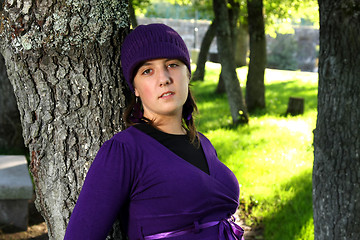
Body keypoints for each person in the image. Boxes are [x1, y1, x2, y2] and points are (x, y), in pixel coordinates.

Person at [64, 23, 244, 240]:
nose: (164, 79)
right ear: (136, 89)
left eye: (173, 65)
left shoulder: (202, 143)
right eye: (148, 71)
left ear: (188, 74)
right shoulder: (124, 150)